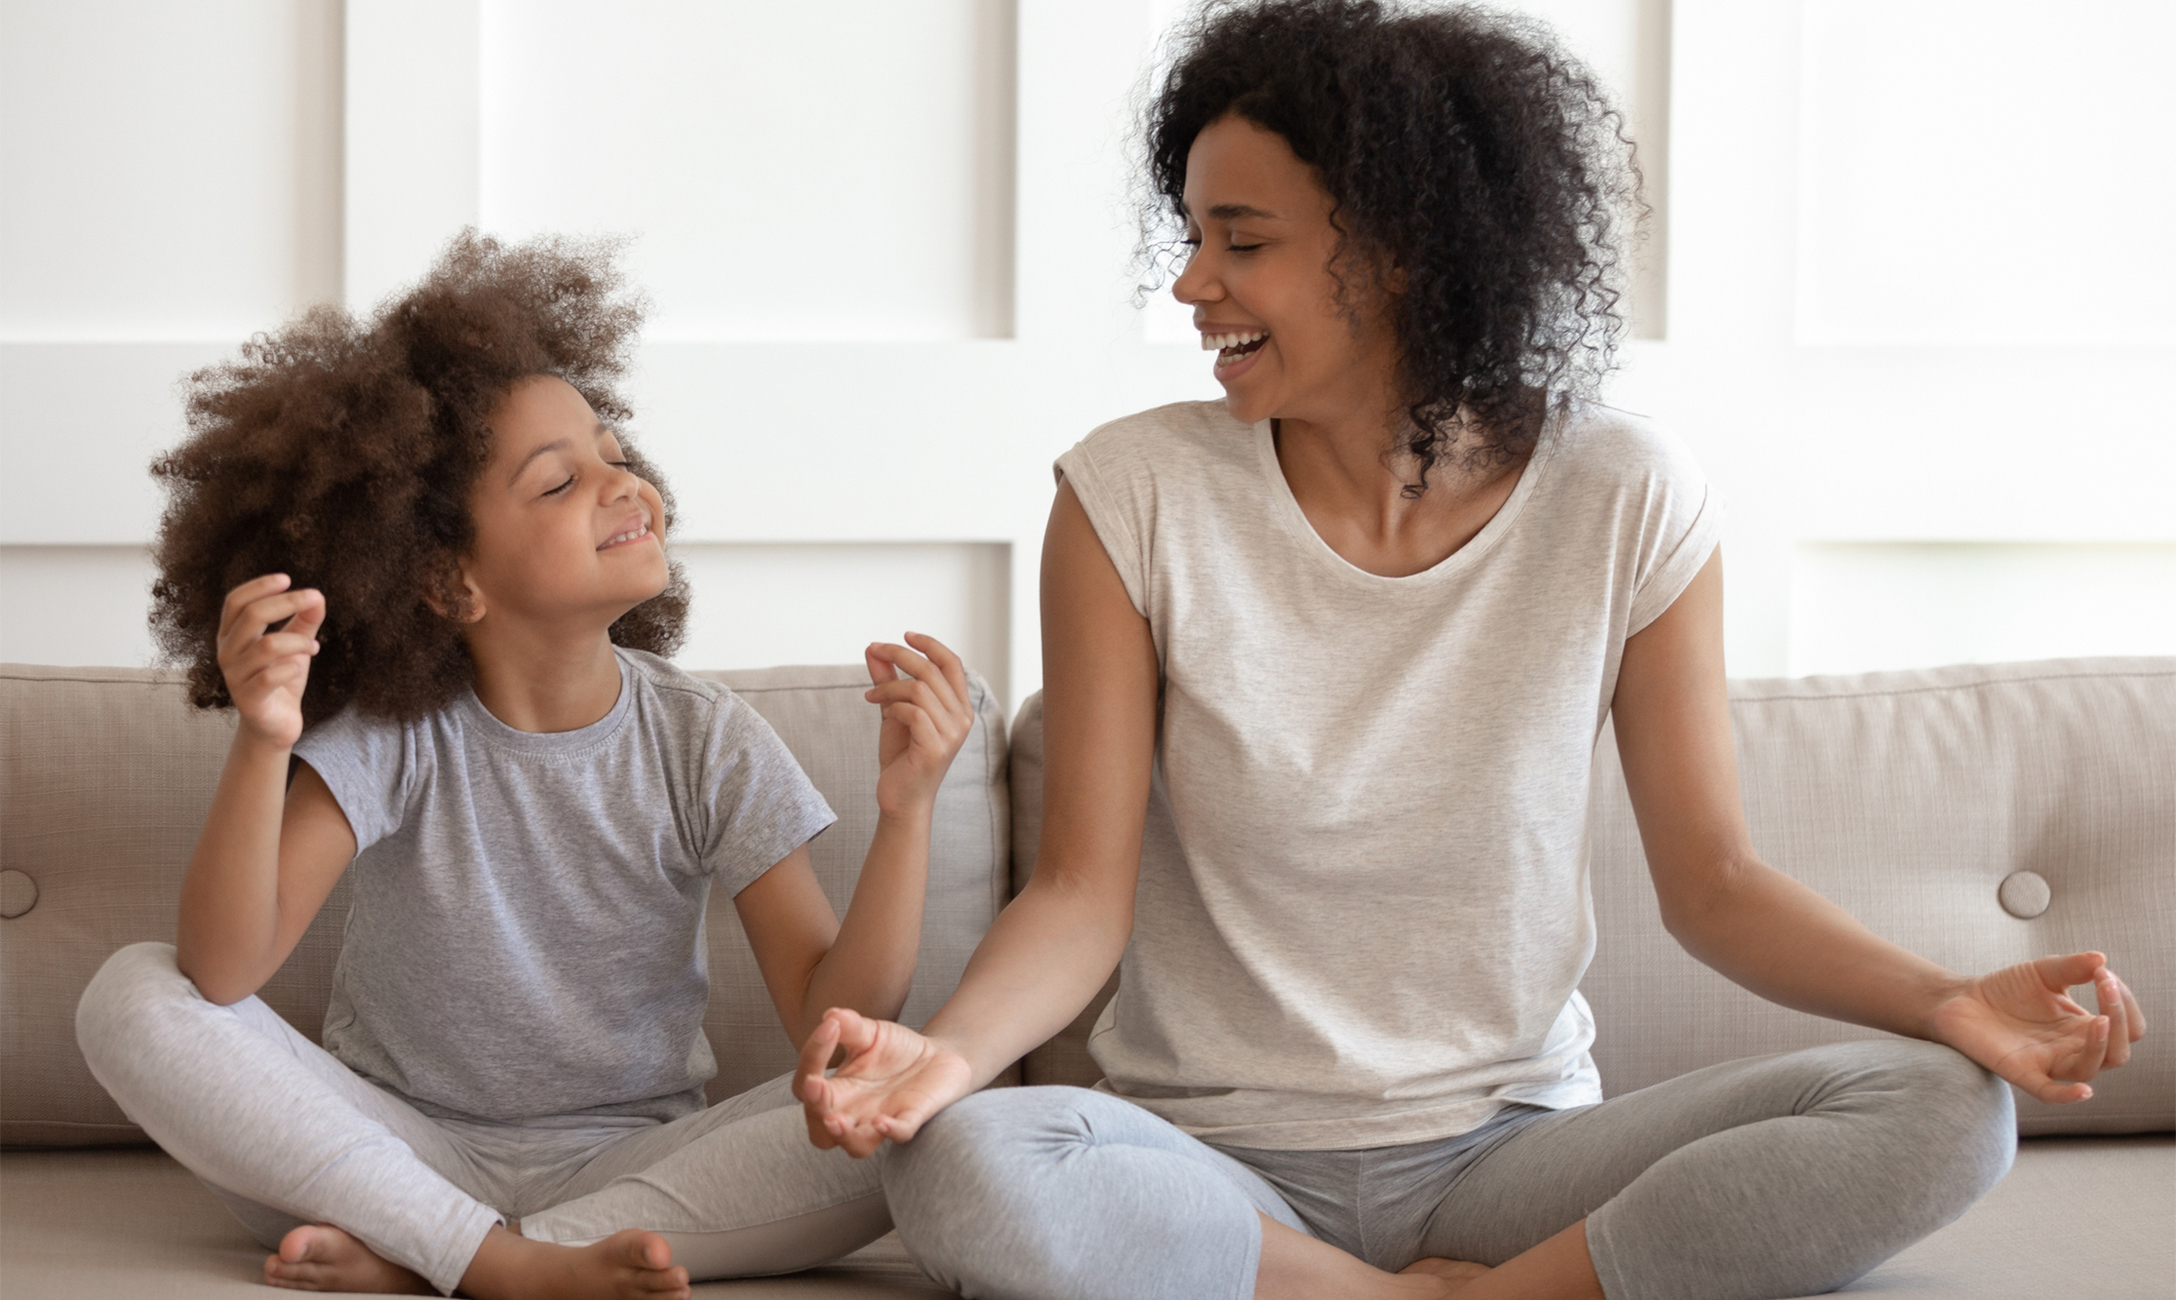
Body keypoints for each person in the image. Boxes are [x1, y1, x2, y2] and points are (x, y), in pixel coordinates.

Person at [791, 4, 2149, 1299]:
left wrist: (1951, 999)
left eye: (1240, 241)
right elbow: (1081, 896)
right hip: (1210, 1165)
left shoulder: (1626, 495)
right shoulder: (1128, 495)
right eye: (1193, 236)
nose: (1192, 284)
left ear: (1399, 250)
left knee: (1944, 1107)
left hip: (1514, 1157)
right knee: (962, 1157)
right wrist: (946, 1057)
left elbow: (1719, 883)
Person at [74, 233, 980, 1300]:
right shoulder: (391, 736)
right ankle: (498, 1260)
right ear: (452, 582)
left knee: (921, 1104)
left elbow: (831, 1034)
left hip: (634, 1166)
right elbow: (222, 972)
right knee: (129, 993)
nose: (618, 480)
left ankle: (438, 1257)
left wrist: (908, 807)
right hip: (388, 1148)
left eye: (610, 449)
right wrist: (264, 734)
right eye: (558, 483)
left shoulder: (706, 735)